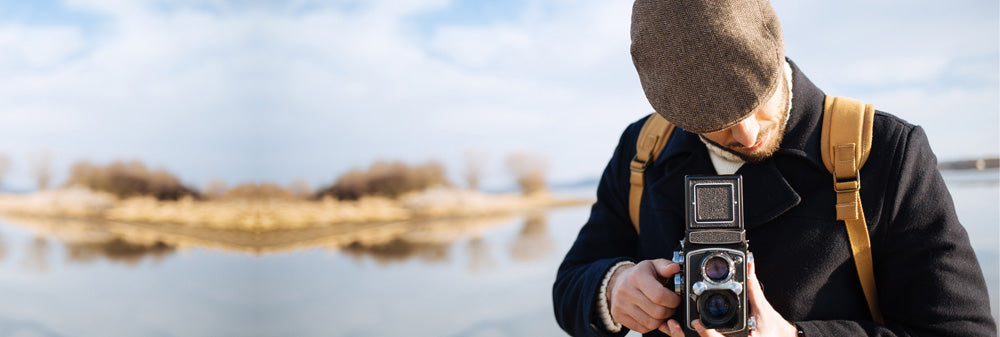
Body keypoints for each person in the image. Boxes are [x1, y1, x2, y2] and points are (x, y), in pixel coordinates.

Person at [551, 0, 997, 336]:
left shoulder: (883, 151)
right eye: (714, 124)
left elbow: (962, 330)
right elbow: (570, 282)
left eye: (756, 101)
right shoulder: (641, 150)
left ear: (775, 48)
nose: (745, 134)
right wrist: (613, 289)